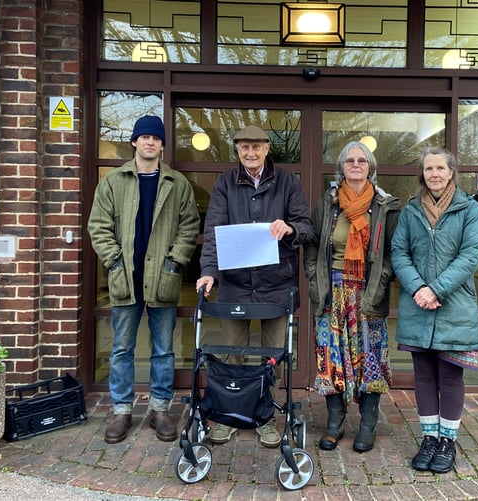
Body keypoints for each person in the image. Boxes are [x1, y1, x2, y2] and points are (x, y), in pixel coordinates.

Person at [195, 124, 313, 448]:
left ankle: (265, 418)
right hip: (235, 285)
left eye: (256, 147)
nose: (250, 153)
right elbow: (214, 233)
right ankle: (230, 417)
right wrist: (209, 272)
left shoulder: (288, 182)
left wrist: (288, 228)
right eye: (244, 147)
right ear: (237, 150)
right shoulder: (224, 183)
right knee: (232, 353)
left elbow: (306, 227)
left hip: (276, 286)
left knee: (272, 357)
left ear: (267, 148)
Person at [88, 115, 200, 444]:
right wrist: (113, 261)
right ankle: (122, 411)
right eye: (144, 137)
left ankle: (160, 410)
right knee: (122, 349)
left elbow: (189, 225)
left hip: (162, 279)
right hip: (126, 279)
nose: (150, 142)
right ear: (135, 142)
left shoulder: (177, 183)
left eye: (156, 138)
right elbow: (98, 225)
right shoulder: (113, 181)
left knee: (163, 350)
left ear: (163, 145)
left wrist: (176, 260)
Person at [391, 146, 478, 474]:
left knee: (450, 374)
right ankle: (429, 438)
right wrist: (419, 288)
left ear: (451, 172)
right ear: (423, 174)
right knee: (424, 375)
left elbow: (471, 255)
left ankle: (448, 442)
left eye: (440, 168)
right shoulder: (411, 210)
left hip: (453, 306)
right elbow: (399, 252)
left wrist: (436, 289)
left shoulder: (468, 209)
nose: (434, 174)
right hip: (418, 306)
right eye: (428, 169)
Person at [304, 141, 400, 453]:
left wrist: (381, 281)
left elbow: (391, 253)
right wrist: (314, 279)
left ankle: (368, 424)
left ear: (370, 168)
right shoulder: (328, 204)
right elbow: (314, 246)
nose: (355, 165)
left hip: (367, 291)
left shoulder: (385, 206)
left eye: (361, 160)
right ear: (341, 167)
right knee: (330, 358)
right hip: (332, 291)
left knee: (369, 358)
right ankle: (335, 422)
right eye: (349, 161)